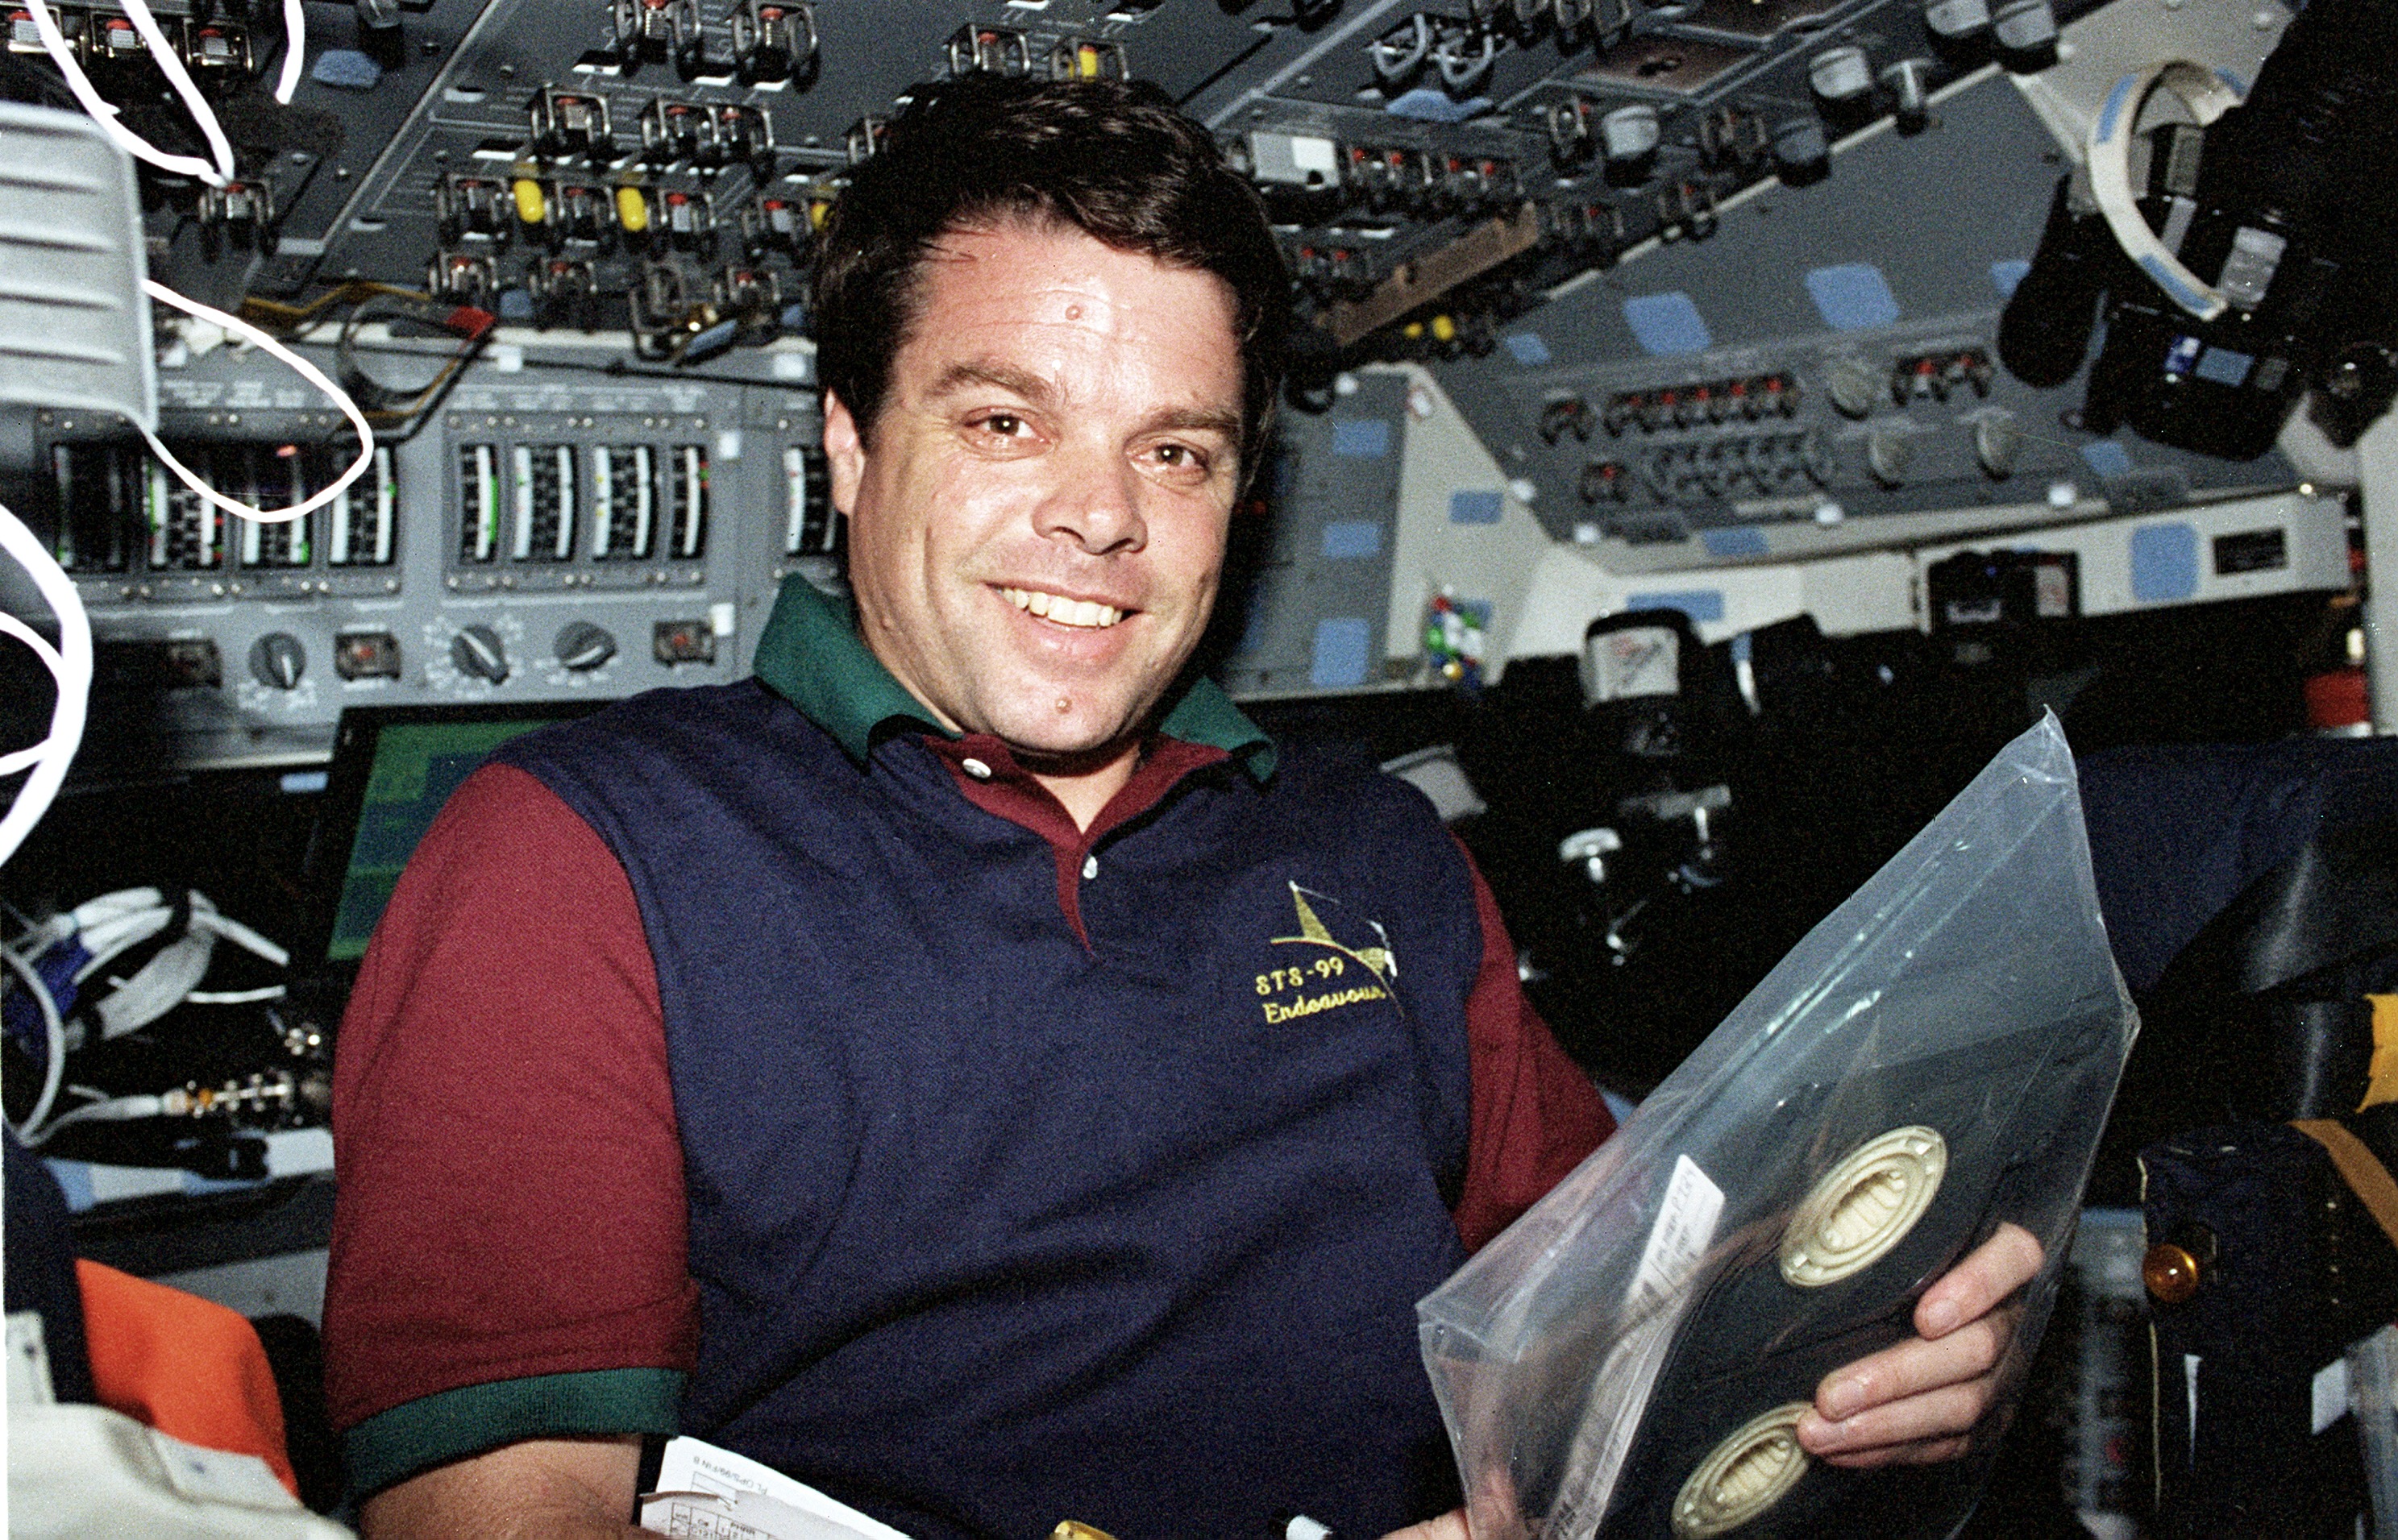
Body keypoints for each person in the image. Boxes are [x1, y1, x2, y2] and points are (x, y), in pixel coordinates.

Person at [323, 76, 2043, 1540]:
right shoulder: (578, 857)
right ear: (847, 445)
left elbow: (1614, 1321)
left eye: (1178, 450)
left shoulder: (1377, 853)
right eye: (1007, 419)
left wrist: (1862, 1339)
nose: (1103, 520)